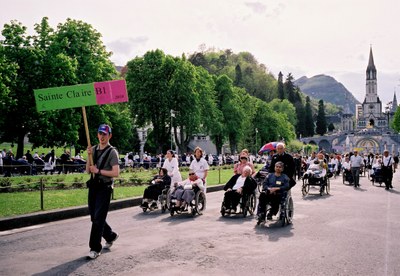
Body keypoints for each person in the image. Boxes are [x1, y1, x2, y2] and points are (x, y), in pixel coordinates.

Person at [86, 124, 120, 260]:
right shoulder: (93, 149)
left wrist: (99, 171)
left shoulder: (112, 152)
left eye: (105, 134)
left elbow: (116, 172)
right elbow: (88, 170)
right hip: (94, 186)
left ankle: (95, 248)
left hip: (105, 187)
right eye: (100, 133)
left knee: (98, 218)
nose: (102, 136)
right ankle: (110, 235)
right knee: (94, 217)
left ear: (110, 135)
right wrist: (89, 156)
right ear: (97, 135)